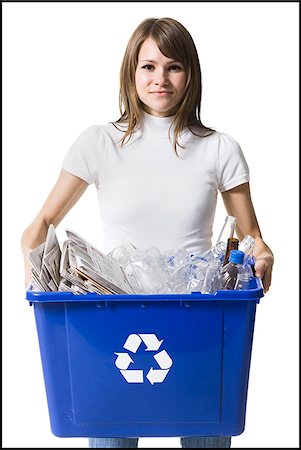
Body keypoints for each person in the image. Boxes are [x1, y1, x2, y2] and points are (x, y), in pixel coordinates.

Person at [21, 17, 274, 449]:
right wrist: (39, 288)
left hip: (199, 314)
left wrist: (264, 258)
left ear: (190, 74)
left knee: (208, 435)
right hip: (115, 315)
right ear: (131, 72)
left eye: (173, 67)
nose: (161, 79)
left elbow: (251, 236)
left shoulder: (220, 148)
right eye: (148, 67)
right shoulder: (99, 142)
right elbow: (41, 226)